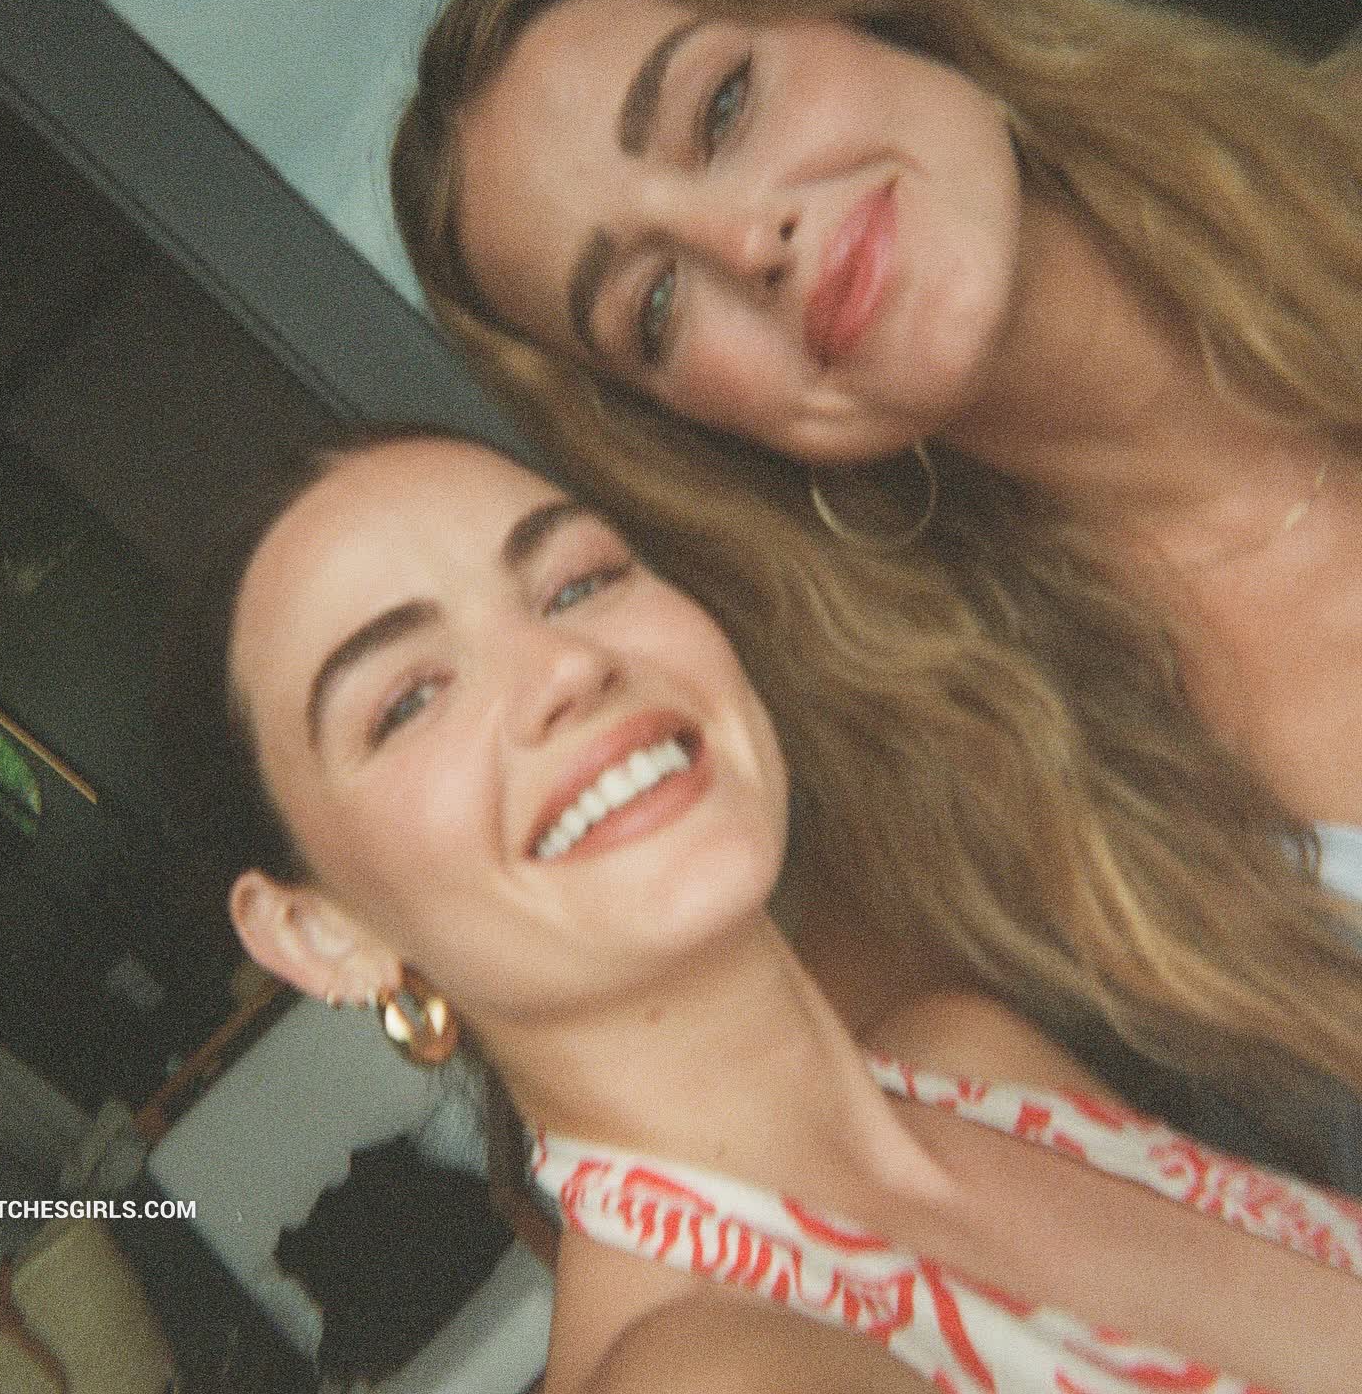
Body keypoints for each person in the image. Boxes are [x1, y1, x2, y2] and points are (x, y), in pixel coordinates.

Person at [161, 422, 1362, 1392]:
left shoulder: (972, 1063)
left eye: (580, 579)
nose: (566, 664)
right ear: (324, 933)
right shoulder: (707, 1370)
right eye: (407, 700)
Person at [391, 0, 1361, 833]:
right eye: (655, 303)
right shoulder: (997, 808)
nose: (745, 243)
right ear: (694, 429)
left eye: (722, 109)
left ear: (882, 5)